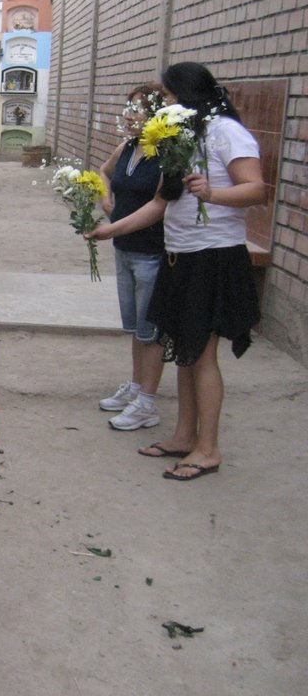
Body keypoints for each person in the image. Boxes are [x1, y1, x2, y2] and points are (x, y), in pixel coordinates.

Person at [87, 62, 267, 480]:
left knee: (202, 355)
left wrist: (214, 192)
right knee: (185, 354)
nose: (161, 104)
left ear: (187, 95)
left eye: (166, 96)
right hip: (179, 255)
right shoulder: (179, 137)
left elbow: (256, 188)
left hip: (214, 257)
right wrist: (108, 230)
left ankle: (209, 449)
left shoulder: (226, 131)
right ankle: (185, 436)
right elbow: (160, 204)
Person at [96, 84, 168, 430]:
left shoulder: (166, 155)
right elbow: (104, 172)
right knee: (137, 330)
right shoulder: (129, 147)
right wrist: (105, 200)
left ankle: (148, 404)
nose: (129, 116)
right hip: (124, 250)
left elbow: (159, 205)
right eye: (129, 109)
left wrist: (112, 228)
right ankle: (136, 389)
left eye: (137, 110)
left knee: (150, 332)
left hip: (151, 251)